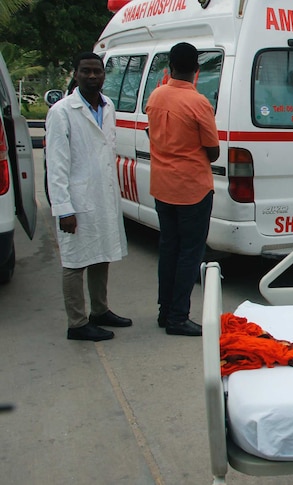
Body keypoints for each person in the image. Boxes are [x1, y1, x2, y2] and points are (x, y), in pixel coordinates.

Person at [46, 52, 131, 341]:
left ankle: (100, 310)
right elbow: (56, 164)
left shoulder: (107, 106)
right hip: (76, 199)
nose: (92, 76)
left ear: (104, 75)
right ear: (76, 74)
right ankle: (78, 323)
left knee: (100, 254)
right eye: (86, 71)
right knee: (74, 262)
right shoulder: (61, 111)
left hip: (102, 195)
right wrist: (63, 209)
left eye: (97, 71)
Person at [145, 42, 220, 337]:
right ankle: (178, 317)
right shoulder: (199, 103)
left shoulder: (156, 95)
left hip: (162, 186)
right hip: (192, 189)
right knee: (190, 253)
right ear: (197, 70)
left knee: (169, 249)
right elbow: (212, 152)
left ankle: (166, 312)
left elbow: (152, 133)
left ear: (169, 67)